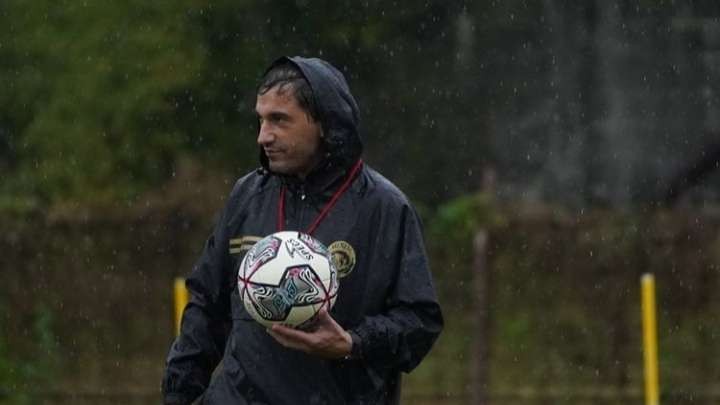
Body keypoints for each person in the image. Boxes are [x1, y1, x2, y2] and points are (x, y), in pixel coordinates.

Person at [162, 56, 443, 405]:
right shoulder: (247, 195)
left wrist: (352, 344)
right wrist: (178, 395)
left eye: (279, 120)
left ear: (325, 123)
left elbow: (420, 321)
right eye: (261, 120)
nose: (264, 136)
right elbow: (205, 305)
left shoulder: (384, 207)